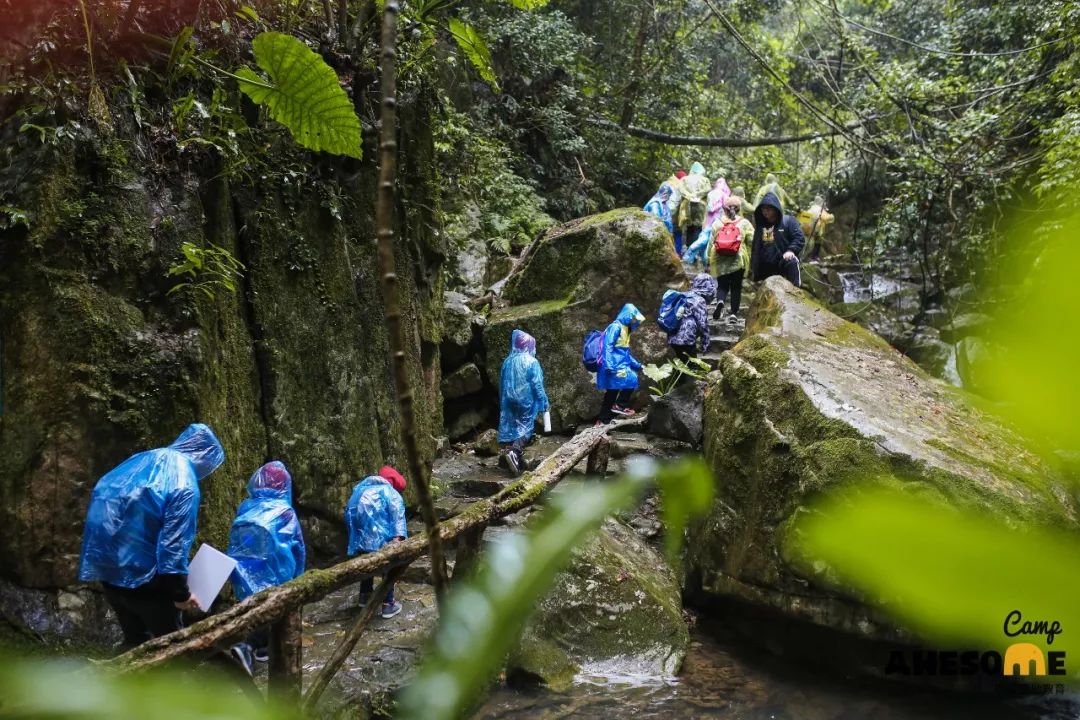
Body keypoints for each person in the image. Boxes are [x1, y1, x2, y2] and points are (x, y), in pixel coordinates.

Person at [78, 423, 225, 649]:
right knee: (173, 649)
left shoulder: (142, 460)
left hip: (109, 571)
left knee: (135, 641)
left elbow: (104, 492)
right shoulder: (184, 484)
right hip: (149, 585)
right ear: (204, 456)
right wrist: (180, 594)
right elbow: (172, 547)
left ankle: (124, 678)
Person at [227, 461, 306, 668]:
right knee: (274, 608)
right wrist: (299, 574)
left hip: (245, 568)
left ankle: (261, 648)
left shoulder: (246, 506)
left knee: (253, 606)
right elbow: (297, 545)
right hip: (275, 568)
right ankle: (247, 648)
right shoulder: (285, 511)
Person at [345, 466, 407, 619]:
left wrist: (354, 537)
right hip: (381, 539)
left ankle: (364, 596)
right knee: (388, 568)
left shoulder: (360, 490)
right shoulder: (390, 493)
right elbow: (397, 516)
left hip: (360, 538)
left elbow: (349, 511)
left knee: (366, 566)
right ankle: (388, 604)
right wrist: (398, 537)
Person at [498, 329, 550, 478]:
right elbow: (537, 384)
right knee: (526, 427)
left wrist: (503, 400)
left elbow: (502, 383)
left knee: (512, 425)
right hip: (524, 399)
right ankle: (515, 452)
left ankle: (510, 455)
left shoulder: (507, 361)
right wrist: (544, 401)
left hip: (508, 399)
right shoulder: (532, 362)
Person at [597, 303, 645, 424]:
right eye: (632, 317)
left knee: (612, 392)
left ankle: (603, 420)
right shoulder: (616, 327)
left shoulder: (625, 330)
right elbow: (607, 346)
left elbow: (625, 354)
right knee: (630, 380)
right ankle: (617, 407)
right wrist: (609, 364)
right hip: (613, 365)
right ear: (627, 315)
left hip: (619, 364)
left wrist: (638, 365)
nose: (633, 321)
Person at [708, 194, 754, 321]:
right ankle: (733, 313)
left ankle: (720, 301)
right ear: (739, 209)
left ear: (724, 209)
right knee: (736, 287)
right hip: (737, 260)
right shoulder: (744, 223)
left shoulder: (717, 223)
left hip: (720, 259)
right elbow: (752, 240)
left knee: (722, 285)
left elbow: (711, 242)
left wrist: (708, 257)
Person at [751, 190, 805, 287]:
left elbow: (799, 237)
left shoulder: (788, 221)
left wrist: (791, 250)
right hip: (767, 267)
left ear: (775, 208)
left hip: (784, 260)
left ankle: (796, 292)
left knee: (792, 261)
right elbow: (756, 248)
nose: (765, 211)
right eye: (763, 209)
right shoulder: (762, 227)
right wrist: (754, 271)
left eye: (768, 208)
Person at [667, 274, 715, 361]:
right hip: (686, 338)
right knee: (690, 367)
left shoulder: (683, 295)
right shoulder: (699, 300)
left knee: (679, 365)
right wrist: (705, 344)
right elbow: (703, 324)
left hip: (672, 337)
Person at [677, 162, 711, 256]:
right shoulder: (705, 180)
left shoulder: (684, 179)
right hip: (700, 206)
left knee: (688, 228)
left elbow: (680, 189)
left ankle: (688, 250)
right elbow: (707, 189)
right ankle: (695, 253)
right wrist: (697, 194)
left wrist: (689, 196)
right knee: (698, 228)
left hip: (687, 206)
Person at [797, 195, 835, 261]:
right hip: (816, 230)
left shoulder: (810, 209)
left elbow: (802, 218)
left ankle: (802, 258)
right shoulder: (820, 210)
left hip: (807, 230)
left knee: (806, 244)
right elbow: (827, 218)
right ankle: (814, 257)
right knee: (817, 243)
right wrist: (832, 216)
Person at [665, 170, 687, 254]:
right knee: (677, 233)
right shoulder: (680, 187)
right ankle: (677, 254)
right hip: (676, 215)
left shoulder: (668, 183)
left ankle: (668, 252)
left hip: (665, 213)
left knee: (668, 233)